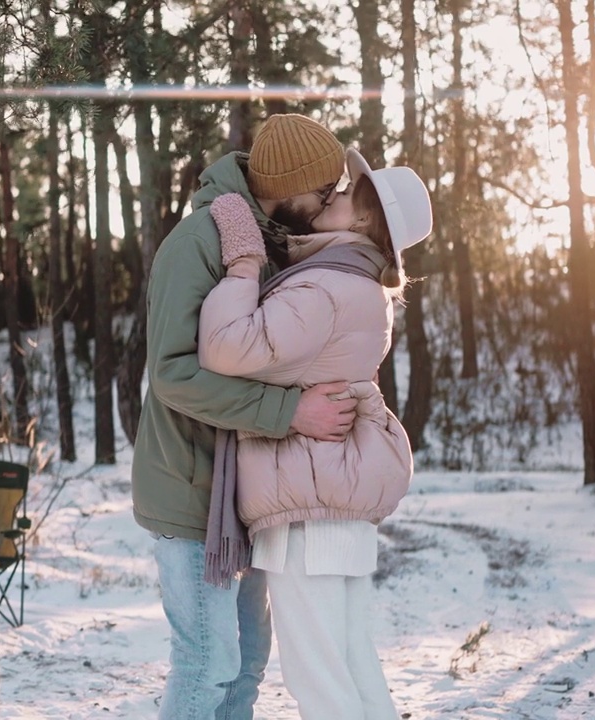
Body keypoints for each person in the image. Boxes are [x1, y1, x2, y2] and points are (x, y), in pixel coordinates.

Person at [131, 114, 359, 720]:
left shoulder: (274, 243)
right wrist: (289, 413)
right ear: (286, 189)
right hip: (191, 490)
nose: (331, 202)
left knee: (250, 660)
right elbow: (174, 374)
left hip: (248, 491)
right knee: (207, 664)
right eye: (325, 192)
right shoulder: (199, 243)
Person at [197, 147, 433, 720]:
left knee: (320, 680)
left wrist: (246, 265)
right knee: (351, 667)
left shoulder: (324, 286)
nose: (336, 192)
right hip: (332, 501)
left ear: (363, 219)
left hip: (310, 507)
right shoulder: (355, 282)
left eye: (349, 191)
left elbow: (226, 348)